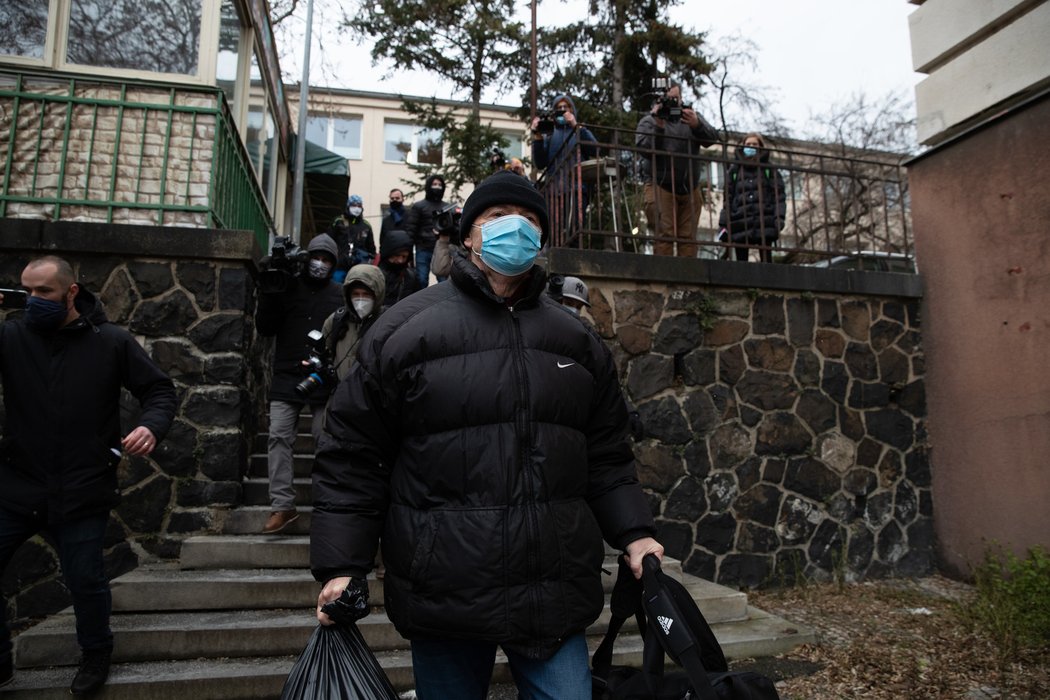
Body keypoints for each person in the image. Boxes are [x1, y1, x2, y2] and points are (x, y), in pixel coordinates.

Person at [310, 170, 663, 700]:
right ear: (468, 234)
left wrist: (634, 533)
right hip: (445, 590)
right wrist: (342, 565)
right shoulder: (405, 330)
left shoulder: (576, 341)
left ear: (541, 238)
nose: (514, 229)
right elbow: (353, 456)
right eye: (498, 219)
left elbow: (607, 454)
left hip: (552, 590)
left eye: (528, 221)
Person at [0, 256, 177, 695]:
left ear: (71, 292)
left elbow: (159, 389)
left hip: (83, 487)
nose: (33, 300)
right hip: (17, 486)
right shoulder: (10, 336)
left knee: (86, 579)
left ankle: (96, 654)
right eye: (27, 291)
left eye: (44, 292)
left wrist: (149, 426)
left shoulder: (111, 341)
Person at [255, 234, 344, 534]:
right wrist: (272, 282)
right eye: (316, 257)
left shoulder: (339, 295)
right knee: (278, 435)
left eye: (327, 259)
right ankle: (282, 506)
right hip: (286, 374)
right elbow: (265, 326)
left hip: (322, 377)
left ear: (334, 264)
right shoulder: (287, 286)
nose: (320, 264)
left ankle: (325, 502)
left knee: (324, 437)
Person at [635, 82, 720, 257]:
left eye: (676, 98)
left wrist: (697, 124)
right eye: (668, 99)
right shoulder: (649, 120)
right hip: (660, 185)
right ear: (659, 100)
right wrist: (659, 125)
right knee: (665, 235)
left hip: (690, 188)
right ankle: (663, 278)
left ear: (681, 98)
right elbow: (643, 149)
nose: (673, 103)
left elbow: (712, 138)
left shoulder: (690, 117)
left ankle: (688, 280)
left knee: (688, 238)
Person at [530, 95, 598, 236]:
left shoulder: (580, 130)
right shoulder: (550, 135)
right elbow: (540, 163)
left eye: (565, 107)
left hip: (576, 188)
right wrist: (537, 136)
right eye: (558, 108)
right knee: (554, 231)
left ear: (571, 110)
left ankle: (573, 253)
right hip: (554, 191)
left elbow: (595, 149)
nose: (561, 110)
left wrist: (576, 125)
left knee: (575, 227)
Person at [717, 133, 787, 263]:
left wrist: (779, 217)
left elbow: (779, 196)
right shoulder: (735, 170)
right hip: (740, 220)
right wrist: (724, 222)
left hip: (764, 220)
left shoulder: (768, 169)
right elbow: (728, 198)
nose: (751, 147)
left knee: (767, 262)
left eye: (754, 144)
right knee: (741, 262)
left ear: (760, 147)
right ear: (743, 147)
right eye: (748, 144)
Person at [318, 264, 385, 387]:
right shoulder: (337, 320)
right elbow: (322, 354)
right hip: (338, 398)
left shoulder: (387, 323)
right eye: (356, 294)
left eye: (366, 294)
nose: (360, 301)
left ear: (377, 294)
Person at [405, 174, 449, 287]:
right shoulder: (419, 206)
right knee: (422, 280)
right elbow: (411, 229)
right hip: (423, 248)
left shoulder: (447, 207)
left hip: (441, 249)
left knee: (444, 281)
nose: (437, 187)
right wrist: (408, 252)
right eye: (434, 184)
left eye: (439, 185)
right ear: (429, 186)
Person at [327, 194, 377, 282]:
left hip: (358, 269)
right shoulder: (338, 221)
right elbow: (328, 242)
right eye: (354, 205)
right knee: (337, 289)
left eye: (359, 206)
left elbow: (371, 249)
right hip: (339, 266)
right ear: (348, 206)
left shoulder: (366, 226)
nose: (357, 208)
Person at [377, 229, 421, 309]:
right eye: (397, 255)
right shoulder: (375, 276)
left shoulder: (411, 277)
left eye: (404, 257)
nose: (400, 261)